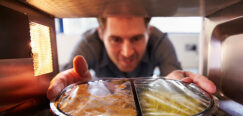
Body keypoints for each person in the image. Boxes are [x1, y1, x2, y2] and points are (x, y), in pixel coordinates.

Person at [47, 16, 216, 100]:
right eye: (115, 39)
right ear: (101, 34)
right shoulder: (88, 44)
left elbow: (173, 74)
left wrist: (177, 84)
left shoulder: (159, 41)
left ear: (148, 33)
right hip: (106, 102)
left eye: (136, 38)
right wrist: (73, 89)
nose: (127, 52)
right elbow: (68, 78)